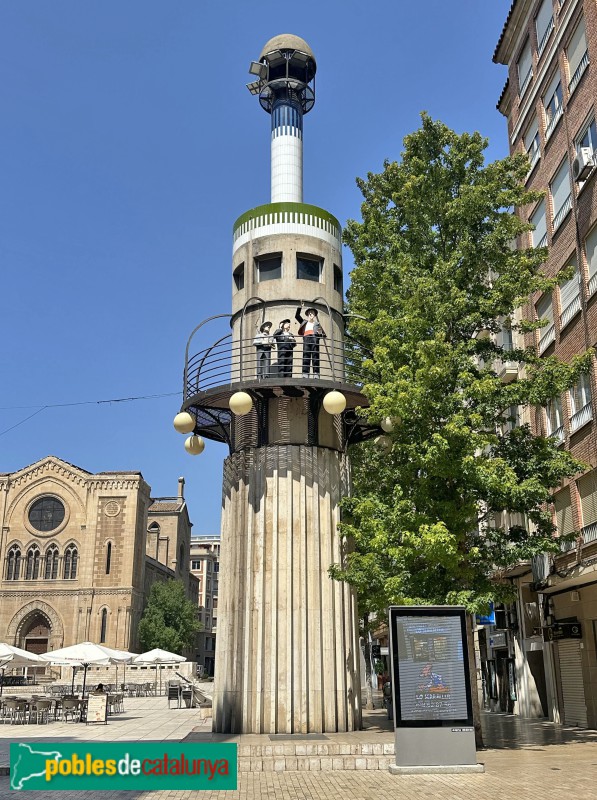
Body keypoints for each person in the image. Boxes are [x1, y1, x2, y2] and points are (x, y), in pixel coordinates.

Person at [295, 306, 326, 378]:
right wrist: (300, 307)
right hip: (306, 338)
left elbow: (322, 334)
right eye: (309, 313)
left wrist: (319, 334)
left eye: (312, 313)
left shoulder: (317, 324)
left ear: (314, 315)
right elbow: (297, 316)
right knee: (306, 356)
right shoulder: (304, 322)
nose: (311, 314)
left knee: (315, 356)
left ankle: (316, 373)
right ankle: (305, 373)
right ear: (307, 315)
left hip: (314, 339)